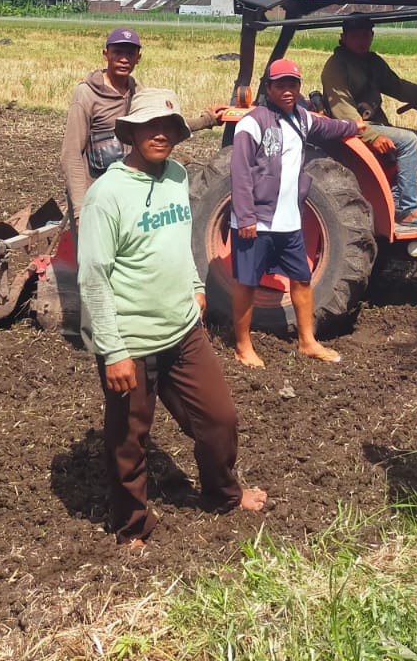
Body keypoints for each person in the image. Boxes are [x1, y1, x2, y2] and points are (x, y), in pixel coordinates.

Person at [76, 87, 267, 546]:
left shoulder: (177, 176)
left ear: (177, 135)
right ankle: (133, 526)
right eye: (149, 127)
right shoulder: (108, 194)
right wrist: (114, 350)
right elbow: (92, 276)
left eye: (167, 128)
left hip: (184, 330)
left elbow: (179, 242)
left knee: (219, 419)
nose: (159, 135)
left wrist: (197, 287)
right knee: (128, 440)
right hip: (131, 339)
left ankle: (223, 492)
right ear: (133, 132)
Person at [229, 58, 361, 367]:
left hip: (288, 221)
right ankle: (242, 346)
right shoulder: (253, 122)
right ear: (269, 88)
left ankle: (308, 341)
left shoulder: (302, 118)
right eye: (280, 85)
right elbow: (240, 171)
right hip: (257, 221)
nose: (287, 90)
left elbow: (330, 126)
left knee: (301, 278)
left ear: (299, 87)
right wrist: (246, 217)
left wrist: (356, 126)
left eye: (292, 84)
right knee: (246, 282)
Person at [319, 14, 417, 228]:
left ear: (372, 36)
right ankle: (408, 210)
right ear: (343, 37)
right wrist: (372, 136)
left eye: (366, 35)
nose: (362, 40)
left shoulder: (372, 61)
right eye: (356, 36)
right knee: (409, 141)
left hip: (374, 125)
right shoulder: (336, 65)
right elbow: (343, 112)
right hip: (351, 129)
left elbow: (399, 88)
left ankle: (392, 198)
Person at [61, 27, 141, 220]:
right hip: (96, 195)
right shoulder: (86, 94)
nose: (124, 59)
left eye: (130, 54)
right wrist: (80, 210)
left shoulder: (137, 92)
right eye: (118, 52)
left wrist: (207, 120)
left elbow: (162, 127)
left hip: (128, 193)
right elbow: (71, 154)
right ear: (106, 55)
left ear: (138, 58)